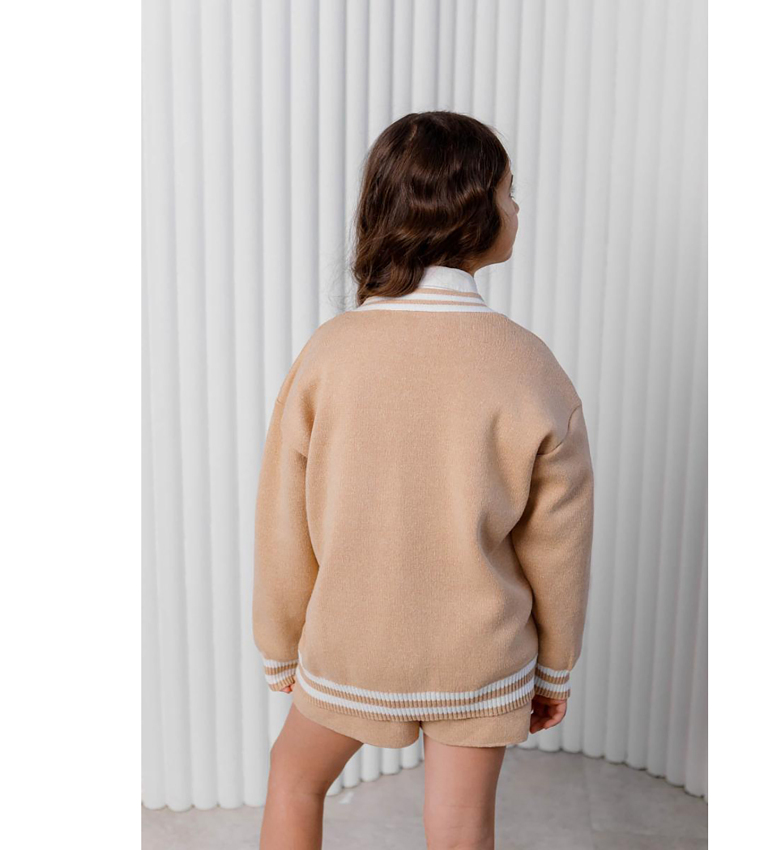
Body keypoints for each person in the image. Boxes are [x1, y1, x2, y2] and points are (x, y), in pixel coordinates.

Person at [253, 110, 594, 850]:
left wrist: (280, 645)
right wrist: (555, 669)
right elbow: (559, 542)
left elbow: (284, 515)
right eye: (508, 193)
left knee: (294, 779)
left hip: (354, 644)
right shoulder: (530, 365)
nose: (516, 209)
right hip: (481, 655)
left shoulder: (330, 353)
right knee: (461, 824)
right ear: (469, 210)